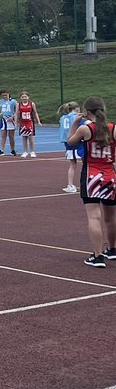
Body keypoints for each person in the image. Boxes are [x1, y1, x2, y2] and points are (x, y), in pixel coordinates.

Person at [64, 96, 116, 268]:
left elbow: (70, 142)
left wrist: (75, 123)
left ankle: (98, 256)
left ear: (86, 112)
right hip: (110, 175)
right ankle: (113, 250)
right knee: (111, 216)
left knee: (94, 216)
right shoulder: (113, 128)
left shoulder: (86, 129)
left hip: (92, 176)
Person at [59, 101, 82, 193]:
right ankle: (71, 185)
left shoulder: (62, 118)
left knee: (73, 164)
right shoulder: (76, 117)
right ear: (76, 109)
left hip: (67, 142)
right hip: (75, 140)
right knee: (82, 164)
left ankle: (71, 184)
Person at [16, 91, 41, 157]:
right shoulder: (18, 104)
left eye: (25, 97)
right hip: (22, 123)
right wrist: (16, 123)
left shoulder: (32, 104)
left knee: (31, 137)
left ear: (28, 97)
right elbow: (16, 114)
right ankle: (25, 151)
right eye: (22, 97)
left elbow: (35, 113)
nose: (24, 98)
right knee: (24, 137)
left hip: (29, 122)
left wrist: (38, 121)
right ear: (20, 98)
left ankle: (32, 151)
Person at [0, 90, 18, 156]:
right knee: (3, 135)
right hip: (3, 120)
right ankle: (2, 150)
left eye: (6, 95)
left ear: (9, 94)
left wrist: (13, 117)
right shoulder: (0, 101)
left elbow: (17, 111)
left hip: (10, 120)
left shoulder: (13, 101)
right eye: (3, 95)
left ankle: (12, 150)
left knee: (11, 136)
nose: (4, 96)